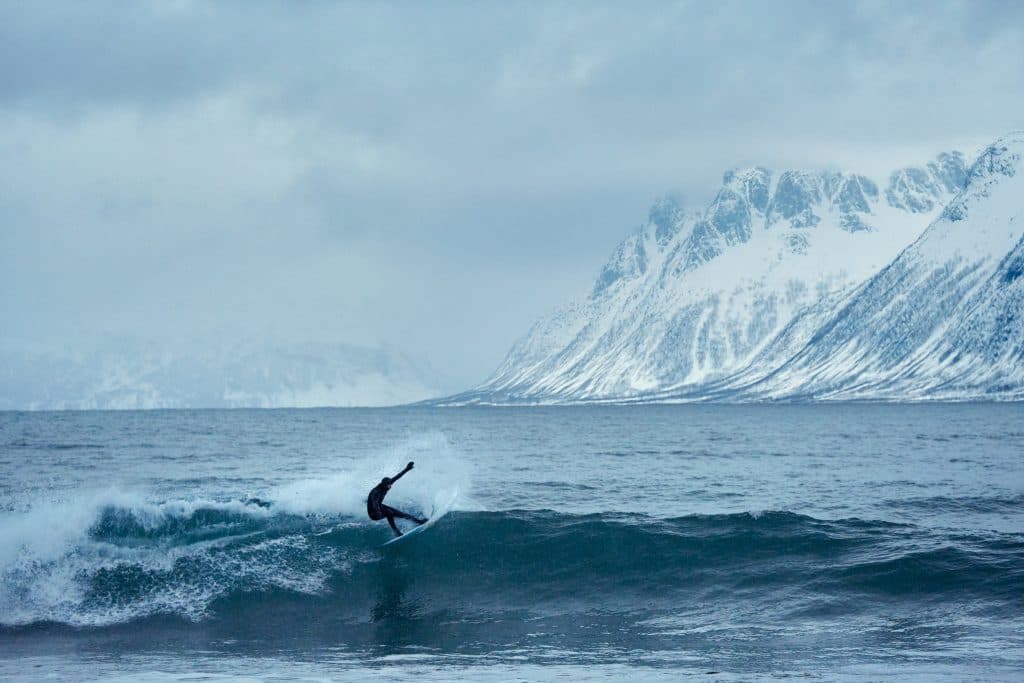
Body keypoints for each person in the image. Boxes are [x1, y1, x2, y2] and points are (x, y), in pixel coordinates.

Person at [367, 461, 427, 536]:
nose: (390, 486)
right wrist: (378, 510)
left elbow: (397, 476)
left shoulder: (386, 484)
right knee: (389, 512)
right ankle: (396, 532)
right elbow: (374, 502)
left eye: (390, 484)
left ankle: (419, 522)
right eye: (388, 485)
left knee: (401, 514)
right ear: (384, 485)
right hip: (373, 513)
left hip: (380, 507)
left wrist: (407, 469)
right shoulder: (376, 491)